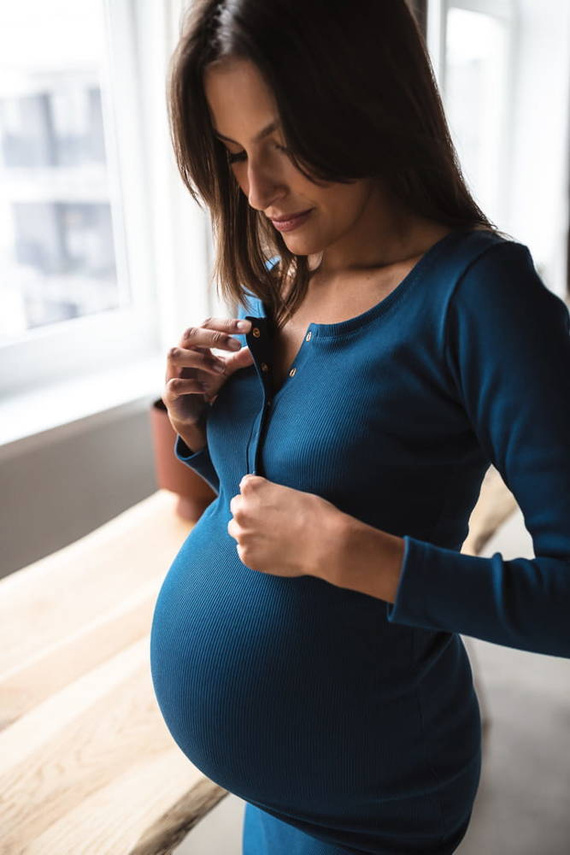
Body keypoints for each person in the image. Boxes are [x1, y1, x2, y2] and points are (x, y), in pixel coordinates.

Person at [149, 1, 570, 853]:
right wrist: (200, 429)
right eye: (233, 154)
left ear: (365, 102)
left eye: (284, 141)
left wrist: (348, 551)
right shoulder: (277, 274)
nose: (259, 190)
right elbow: (267, 496)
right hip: (276, 789)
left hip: (369, 801)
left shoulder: (480, 297)